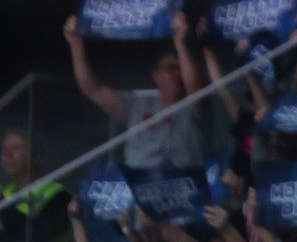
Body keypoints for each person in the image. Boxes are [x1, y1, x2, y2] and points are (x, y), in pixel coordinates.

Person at [65, 11, 209, 169]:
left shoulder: (193, 106)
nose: (178, 73)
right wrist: (76, 45)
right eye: (171, 68)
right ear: (156, 75)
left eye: (181, 68)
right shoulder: (137, 104)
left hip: (185, 185)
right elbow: (93, 90)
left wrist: (180, 43)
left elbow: (195, 87)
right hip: (141, 184)